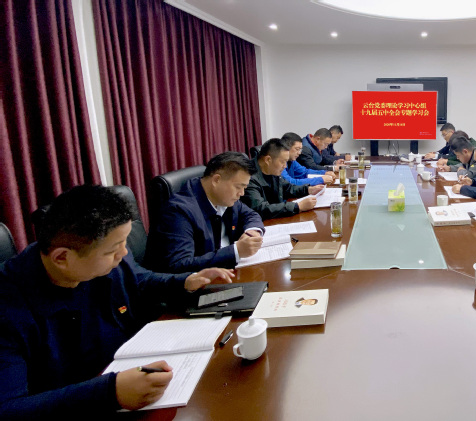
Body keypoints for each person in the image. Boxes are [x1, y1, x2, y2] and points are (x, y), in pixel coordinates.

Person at [0, 185, 233, 418]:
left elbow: (139, 280)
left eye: (124, 243)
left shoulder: (100, 260)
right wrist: (110, 392)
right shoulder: (7, 310)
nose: (123, 254)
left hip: (134, 375)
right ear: (61, 258)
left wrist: (185, 281)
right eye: (112, 250)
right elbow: (8, 408)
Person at [145, 151, 265, 273]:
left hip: (226, 271)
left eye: (244, 188)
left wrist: (252, 231)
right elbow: (180, 265)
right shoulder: (178, 211)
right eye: (238, 187)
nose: (242, 193)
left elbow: (250, 214)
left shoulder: (224, 197)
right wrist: (235, 251)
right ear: (216, 180)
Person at [242, 138, 324, 219]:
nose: (285, 166)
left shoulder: (272, 169)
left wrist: (308, 190)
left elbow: (288, 188)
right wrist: (297, 206)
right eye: (282, 162)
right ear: (268, 160)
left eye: (286, 162)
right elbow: (260, 209)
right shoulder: (248, 177)